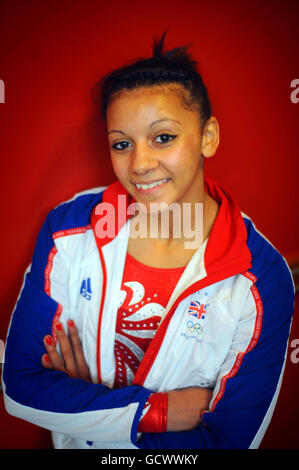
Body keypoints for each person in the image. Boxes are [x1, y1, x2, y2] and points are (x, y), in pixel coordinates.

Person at [2, 31, 295, 450]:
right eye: (122, 144)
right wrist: (159, 412)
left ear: (208, 136)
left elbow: (227, 441)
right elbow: (20, 388)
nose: (139, 163)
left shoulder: (261, 276)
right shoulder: (69, 228)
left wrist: (87, 404)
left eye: (163, 137)